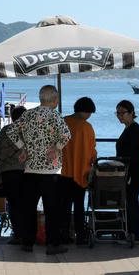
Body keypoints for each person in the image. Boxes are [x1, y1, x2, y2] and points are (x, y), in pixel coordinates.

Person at [6, 85, 71, 255]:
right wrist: (56, 148)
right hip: (51, 171)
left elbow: (11, 131)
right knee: (52, 210)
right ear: (55, 99)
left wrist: (23, 148)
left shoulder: (28, 114)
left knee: (29, 208)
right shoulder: (55, 115)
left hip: (30, 170)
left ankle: (27, 243)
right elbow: (66, 135)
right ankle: (53, 244)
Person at [60, 97, 97, 246]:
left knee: (64, 205)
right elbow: (92, 152)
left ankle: (64, 234)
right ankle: (80, 236)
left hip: (62, 172)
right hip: (80, 173)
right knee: (79, 206)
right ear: (87, 111)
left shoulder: (62, 121)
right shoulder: (87, 127)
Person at [0, 105, 27, 245]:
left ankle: (18, 234)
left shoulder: (5, 130)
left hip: (8, 171)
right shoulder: (29, 131)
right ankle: (28, 234)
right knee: (27, 203)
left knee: (13, 204)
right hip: (27, 171)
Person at [115, 100, 139, 243]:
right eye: (118, 113)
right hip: (128, 171)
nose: (120, 116)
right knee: (128, 200)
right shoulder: (129, 129)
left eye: (122, 113)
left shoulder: (134, 130)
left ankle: (133, 233)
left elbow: (133, 154)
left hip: (133, 172)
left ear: (131, 113)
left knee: (131, 200)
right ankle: (128, 231)